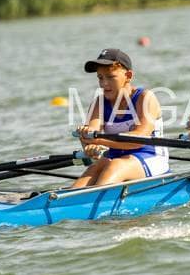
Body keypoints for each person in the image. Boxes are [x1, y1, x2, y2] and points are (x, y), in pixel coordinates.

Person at [72, 48, 169, 188]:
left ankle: (97, 198)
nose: (104, 84)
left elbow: (138, 140)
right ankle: (66, 199)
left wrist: (97, 140)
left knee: (116, 165)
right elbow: (91, 134)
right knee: (95, 168)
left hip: (151, 157)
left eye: (110, 77)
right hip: (114, 158)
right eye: (100, 78)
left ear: (128, 76)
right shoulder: (99, 103)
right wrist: (89, 144)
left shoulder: (145, 98)